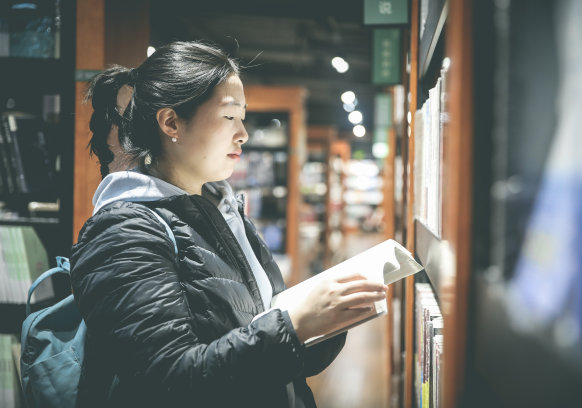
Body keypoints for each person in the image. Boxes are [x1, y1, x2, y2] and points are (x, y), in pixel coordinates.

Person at [70, 41, 388, 408]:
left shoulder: (223, 210)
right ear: (171, 122)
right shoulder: (123, 233)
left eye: (243, 117)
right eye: (228, 116)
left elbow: (261, 338)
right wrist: (295, 324)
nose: (243, 133)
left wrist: (326, 323)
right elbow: (170, 379)